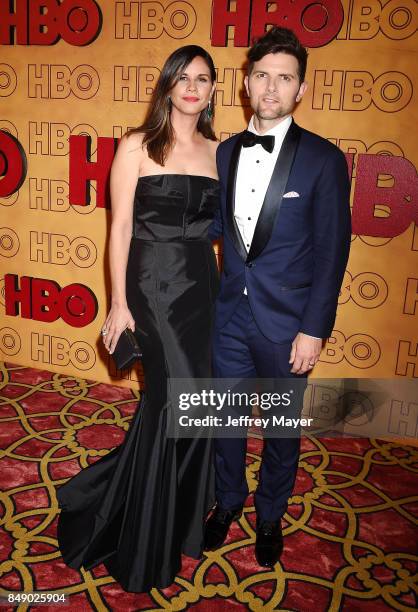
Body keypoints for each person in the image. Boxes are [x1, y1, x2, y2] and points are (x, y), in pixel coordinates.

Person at [56, 45, 220, 592]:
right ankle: (142, 537)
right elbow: (120, 228)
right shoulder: (136, 146)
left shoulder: (219, 152)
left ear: (215, 89)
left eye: (203, 79)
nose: (192, 87)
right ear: (168, 85)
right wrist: (119, 302)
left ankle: (164, 515)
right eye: (184, 78)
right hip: (151, 287)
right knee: (177, 399)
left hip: (201, 287)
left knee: (192, 407)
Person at [204, 27, 351, 567]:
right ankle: (227, 502)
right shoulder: (224, 153)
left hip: (288, 324)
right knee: (225, 421)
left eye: (284, 78)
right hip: (229, 318)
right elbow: (217, 230)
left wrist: (315, 329)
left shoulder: (323, 160)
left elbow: (332, 252)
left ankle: (270, 514)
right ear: (246, 84)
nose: (272, 87)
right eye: (262, 76)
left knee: (281, 429)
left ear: (301, 90)